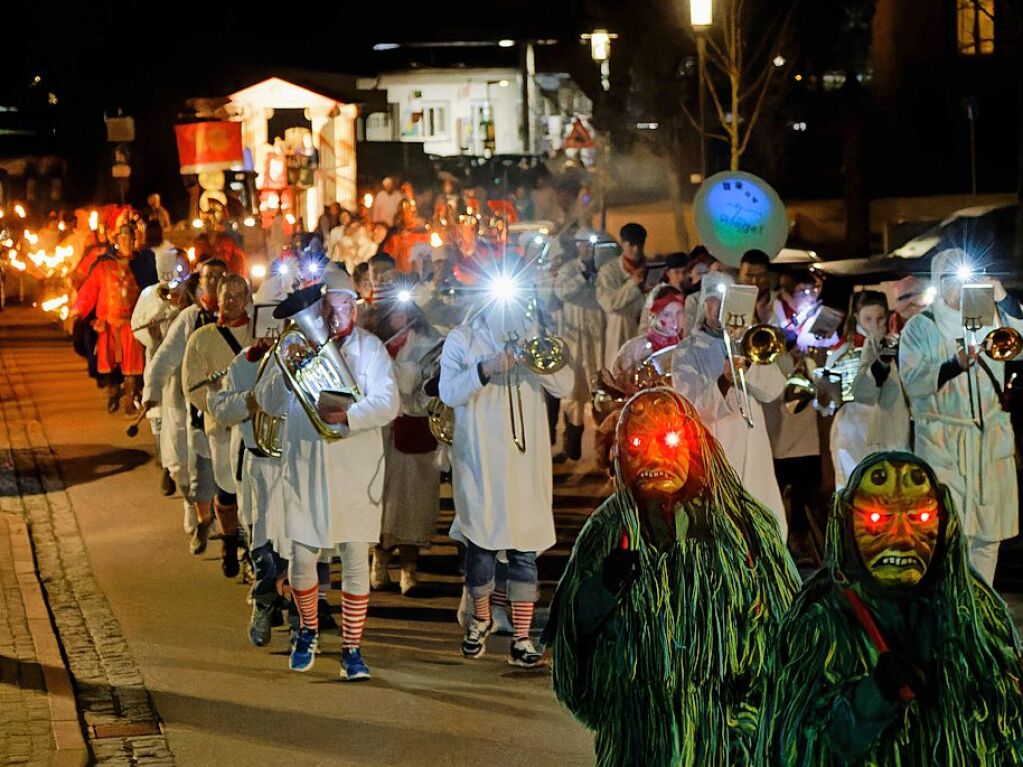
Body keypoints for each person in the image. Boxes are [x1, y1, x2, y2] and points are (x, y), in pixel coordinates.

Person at [546, 388, 799, 767]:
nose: (652, 456)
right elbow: (572, 636)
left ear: (694, 445)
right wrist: (604, 586)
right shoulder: (608, 529)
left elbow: (784, 630)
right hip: (637, 736)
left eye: (667, 440)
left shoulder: (743, 527)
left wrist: (749, 717)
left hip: (724, 740)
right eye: (637, 442)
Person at [758, 452, 1023, 765]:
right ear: (847, 519)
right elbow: (806, 736)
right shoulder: (821, 620)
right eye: (877, 519)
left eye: (920, 518)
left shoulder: (972, 611)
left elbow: (1001, 724)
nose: (901, 536)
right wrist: (874, 696)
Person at [254, 265, 399, 680]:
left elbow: (388, 403)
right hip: (307, 468)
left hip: (356, 471)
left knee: (355, 560)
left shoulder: (370, 349)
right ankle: (308, 632)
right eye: (327, 307)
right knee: (304, 555)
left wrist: (349, 414)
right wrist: (286, 371)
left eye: (342, 305)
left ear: (355, 306)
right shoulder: (292, 345)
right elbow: (265, 401)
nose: (335, 315)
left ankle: (352, 648)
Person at [439, 261, 574, 668]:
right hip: (481, 462)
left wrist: (536, 360)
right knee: (481, 547)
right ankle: (480, 619)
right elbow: (448, 392)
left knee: (524, 551)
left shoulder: (535, 337)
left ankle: (521, 637)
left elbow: (565, 385)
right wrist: (485, 369)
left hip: (525, 465)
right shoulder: (461, 338)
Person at [899, 248, 1023, 584]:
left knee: (989, 533)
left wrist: (1003, 297)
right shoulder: (920, 327)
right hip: (944, 440)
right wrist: (954, 365)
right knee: (950, 532)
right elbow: (913, 380)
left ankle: (984, 608)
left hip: (989, 438)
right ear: (939, 282)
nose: (958, 288)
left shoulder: (989, 316)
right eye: (951, 279)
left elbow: (1020, 340)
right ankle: (951, 608)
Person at [672, 273, 788, 534]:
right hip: (718, 448)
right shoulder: (688, 350)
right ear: (704, 305)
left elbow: (773, 390)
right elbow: (691, 406)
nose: (720, 307)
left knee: (764, 524)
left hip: (754, 447)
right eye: (714, 300)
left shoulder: (749, 341)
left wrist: (747, 365)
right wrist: (723, 383)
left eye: (727, 300)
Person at [143, 259, 228, 544]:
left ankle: (230, 531)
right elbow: (165, 356)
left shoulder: (242, 313)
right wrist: (151, 390)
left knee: (227, 472)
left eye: (220, 277)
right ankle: (199, 514)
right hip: (193, 405)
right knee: (193, 466)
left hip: (230, 408)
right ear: (200, 283)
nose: (214, 283)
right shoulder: (190, 317)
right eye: (209, 278)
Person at [371, 290, 443, 595]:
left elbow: (417, 385)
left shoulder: (430, 344)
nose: (394, 319)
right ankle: (379, 561)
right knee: (380, 500)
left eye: (399, 312)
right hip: (380, 433)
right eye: (389, 315)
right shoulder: (372, 344)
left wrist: (392, 366)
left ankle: (409, 568)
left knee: (412, 503)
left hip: (413, 429)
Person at [182, 274, 253, 576]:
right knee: (225, 483)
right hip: (221, 426)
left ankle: (252, 548)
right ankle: (228, 539)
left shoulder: (258, 333)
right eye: (227, 295)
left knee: (252, 488)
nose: (232, 301)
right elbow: (193, 387)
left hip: (253, 425)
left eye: (239, 295)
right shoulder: (203, 337)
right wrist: (220, 410)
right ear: (218, 297)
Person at [824, 291, 911, 490]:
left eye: (880, 318)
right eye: (868, 319)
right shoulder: (842, 351)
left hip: (890, 424)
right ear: (857, 318)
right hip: (854, 429)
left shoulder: (895, 345)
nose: (874, 324)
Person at [70, 221, 146, 415]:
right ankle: (113, 391)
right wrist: (79, 310)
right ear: (117, 241)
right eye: (123, 238)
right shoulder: (104, 265)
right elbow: (91, 289)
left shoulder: (142, 265)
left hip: (133, 324)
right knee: (109, 365)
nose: (126, 241)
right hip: (109, 324)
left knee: (133, 367)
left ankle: (131, 401)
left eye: (130, 238)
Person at [553, 234, 605, 463]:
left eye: (590, 245)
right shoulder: (568, 270)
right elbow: (561, 292)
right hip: (574, 340)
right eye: (583, 245)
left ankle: (604, 448)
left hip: (596, 339)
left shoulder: (603, 270)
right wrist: (583, 277)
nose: (587, 249)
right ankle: (572, 443)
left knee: (599, 391)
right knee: (574, 392)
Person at [596, 223, 648, 369]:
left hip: (644, 327)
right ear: (623, 244)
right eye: (631, 245)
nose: (636, 250)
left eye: (640, 245)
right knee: (618, 369)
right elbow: (609, 303)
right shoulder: (609, 270)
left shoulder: (650, 267)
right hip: (619, 326)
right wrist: (633, 284)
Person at [613, 285, 685, 385]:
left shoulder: (688, 348)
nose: (675, 320)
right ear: (654, 315)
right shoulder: (634, 349)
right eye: (667, 314)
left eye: (679, 313)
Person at [737, 248, 774, 324]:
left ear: (768, 275)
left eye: (760, 276)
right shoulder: (728, 300)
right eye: (749, 276)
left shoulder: (778, 301)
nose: (754, 282)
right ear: (739, 275)